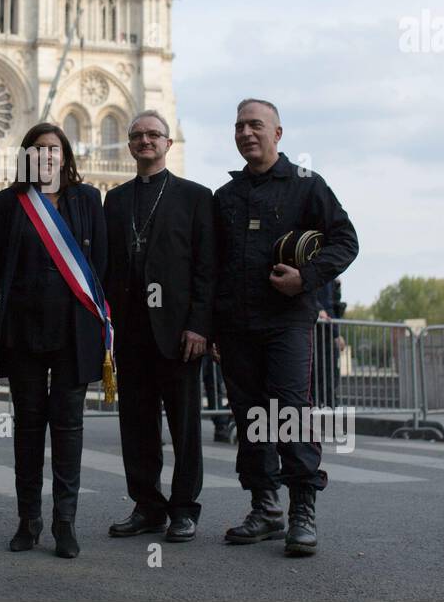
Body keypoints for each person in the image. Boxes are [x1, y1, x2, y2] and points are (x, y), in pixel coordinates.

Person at [211, 99, 358, 556]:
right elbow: (212, 268)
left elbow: (346, 241)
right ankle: (265, 507)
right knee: (251, 415)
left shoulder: (307, 187)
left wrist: (305, 279)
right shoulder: (225, 197)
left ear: (278, 134)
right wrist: (212, 328)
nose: (246, 132)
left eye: (255, 125)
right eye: (239, 126)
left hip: (286, 323)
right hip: (236, 328)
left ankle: (302, 511)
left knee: (290, 411)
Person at [0, 122, 108, 558]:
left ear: (65, 155)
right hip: (23, 329)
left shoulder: (88, 199)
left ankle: (65, 523)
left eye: (54, 149)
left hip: (74, 330)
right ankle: (28, 521)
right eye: (38, 150)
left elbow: (100, 265)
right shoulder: (7, 203)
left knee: (69, 427)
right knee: (28, 427)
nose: (46, 156)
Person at [104, 109, 214, 543]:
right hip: (131, 332)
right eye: (137, 136)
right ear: (130, 145)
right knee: (136, 424)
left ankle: (184, 509)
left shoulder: (195, 196)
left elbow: (207, 269)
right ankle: (147, 505)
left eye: (153, 135)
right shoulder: (114, 200)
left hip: (179, 333)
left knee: (185, 427)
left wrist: (199, 326)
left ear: (169, 144)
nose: (145, 141)